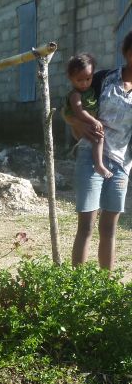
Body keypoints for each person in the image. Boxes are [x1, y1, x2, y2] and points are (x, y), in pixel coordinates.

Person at [68, 32, 132, 270]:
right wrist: (76, 123)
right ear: (126, 52)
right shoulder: (103, 78)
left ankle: (106, 285)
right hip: (90, 156)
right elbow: (70, 105)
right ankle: (79, 284)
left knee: (109, 228)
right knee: (86, 225)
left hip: (121, 163)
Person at [64, 53, 112, 179]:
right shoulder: (75, 95)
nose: (84, 83)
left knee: (98, 138)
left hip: (90, 122)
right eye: (79, 80)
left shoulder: (90, 90)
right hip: (84, 123)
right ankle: (98, 165)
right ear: (70, 78)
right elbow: (79, 112)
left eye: (88, 79)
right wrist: (93, 121)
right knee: (98, 138)